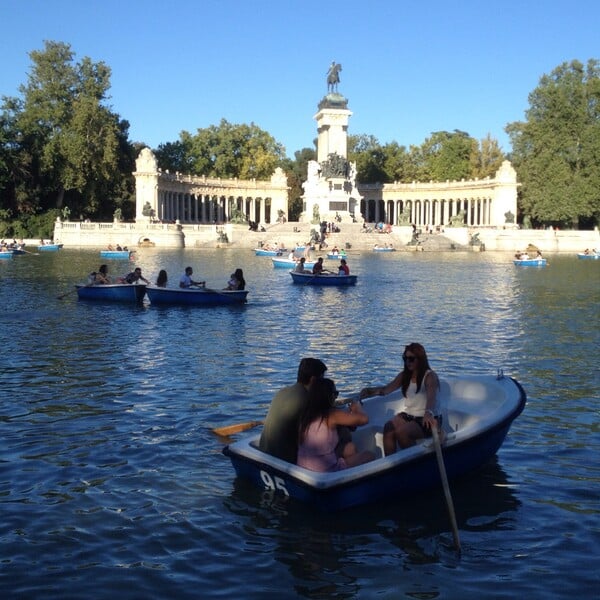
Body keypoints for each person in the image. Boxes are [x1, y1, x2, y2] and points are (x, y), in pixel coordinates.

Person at [359, 343, 441, 456]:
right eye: (405, 358)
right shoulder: (404, 375)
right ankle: (390, 462)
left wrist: (428, 412)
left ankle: (413, 462)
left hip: (427, 419)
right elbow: (386, 390)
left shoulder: (430, 376)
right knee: (389, 427)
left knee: (402, 432)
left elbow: (431, 397)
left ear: (420, 359)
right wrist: (370, 391)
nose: (408, 362)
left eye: (411, 359)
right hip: (409, 416)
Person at [297, 378, 375, 472]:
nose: (336, 397)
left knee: (350, 448)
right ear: (328, 396)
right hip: (325, 471)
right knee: (369, 455)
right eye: (335, 394)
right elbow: (364, 419)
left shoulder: (306, 414)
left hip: (304, 469)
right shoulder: (332, 415)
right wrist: (357, 407)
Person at [259, 358, 328, 463]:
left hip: (264, 452)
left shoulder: (282, 392)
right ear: (313, 380)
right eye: (322, 379)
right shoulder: (306, 400)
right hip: (283, 460)